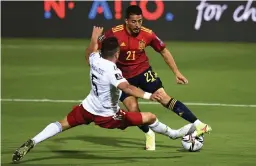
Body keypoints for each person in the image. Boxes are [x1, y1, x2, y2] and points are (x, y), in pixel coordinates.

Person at [12, 26, 196, 163]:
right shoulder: (112, 70)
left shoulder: (95, 59)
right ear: (116, 53)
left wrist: (93, 38)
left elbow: (89, 53)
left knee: (61, 124)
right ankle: (173, 134)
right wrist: (149, 96)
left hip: (87, 107)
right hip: (107, 116)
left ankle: (34, 140)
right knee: (150, 116)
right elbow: (128, 88)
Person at [85, 5, 212, 151]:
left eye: (140, 21)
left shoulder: (148, 34)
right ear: (126, 21)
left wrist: (177, 72)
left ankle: (199, 124)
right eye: (134, 21)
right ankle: (149, 133)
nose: (138, 25)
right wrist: (93, 42)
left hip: (144, 72)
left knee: (164, 97)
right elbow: (92, 53)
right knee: (133, 109)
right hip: (123, 77)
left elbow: (164, 51)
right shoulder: (113, 34)